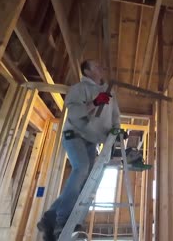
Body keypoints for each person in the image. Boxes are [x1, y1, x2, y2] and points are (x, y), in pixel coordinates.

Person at [37, 59, 120, 240]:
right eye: (96, 65)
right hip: (74, 135)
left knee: (88, 179)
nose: (101, 66)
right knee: (81, 168)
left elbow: (115, 114)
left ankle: (50, 217)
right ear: (87, 72)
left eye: (101, 65)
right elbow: (74, 114)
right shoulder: (79, 89)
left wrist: (116, 130)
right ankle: (63, 220)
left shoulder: (109, 91)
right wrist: (96, 102)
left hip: (92, 140)